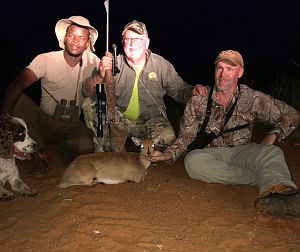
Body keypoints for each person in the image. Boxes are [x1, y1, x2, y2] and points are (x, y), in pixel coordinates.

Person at [149, 50, 300, 218]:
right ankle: (264, 175)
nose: (223, 74)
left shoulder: (253, 98)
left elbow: (292, 115)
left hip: (242, 151)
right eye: (219, 68)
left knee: (272, 152)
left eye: (230, 69)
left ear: (240, 72)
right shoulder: (198, 100)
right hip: (210, 154)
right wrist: (167, 155)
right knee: (192, 162)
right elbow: (186, 137)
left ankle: (283, 193)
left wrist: (274, 134)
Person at [82, 20, 206, 152]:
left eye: (138, 39)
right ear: (122, 42)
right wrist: (100, 76)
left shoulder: (161, 64)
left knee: (168, 139)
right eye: (128, 39)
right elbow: (87, 92)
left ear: (147, 43)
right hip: (117, 120)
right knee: (89, 104)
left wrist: (194, 91)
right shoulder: (114, 63)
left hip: (148, 121)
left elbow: (180, 90)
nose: (132, 44)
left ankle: (140, 145)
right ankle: (107, 146)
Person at [0, 16, 100, 175]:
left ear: (87, 42)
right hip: (44, 122)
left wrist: (105, 73)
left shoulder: (94, 61)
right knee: (20, 100)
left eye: (81, 37)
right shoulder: (45, 59)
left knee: (85, 146)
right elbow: (18, 83)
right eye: (72, 35)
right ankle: (37, 154)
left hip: (71, 124)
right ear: (64, 37)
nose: (75, 41)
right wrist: (3, 121)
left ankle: (68, 153)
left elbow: (103, 88)